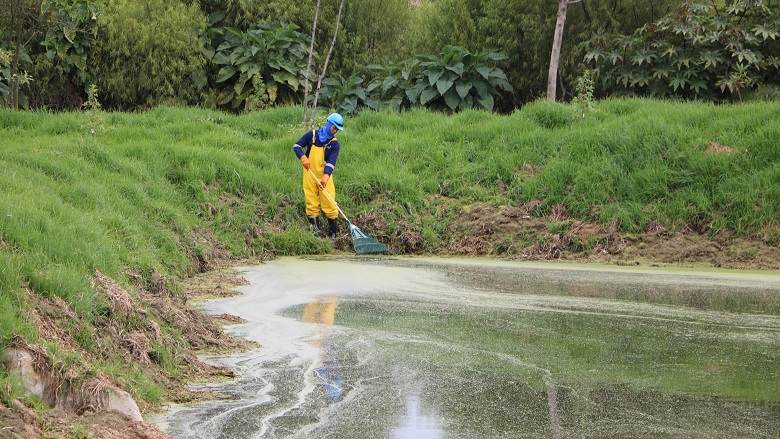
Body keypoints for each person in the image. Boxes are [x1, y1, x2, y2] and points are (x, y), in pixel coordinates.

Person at [293, 113, 344, 238]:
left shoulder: (334, 144)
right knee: (311, 200)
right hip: (310, 173)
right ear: (329, 123)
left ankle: (333, 234)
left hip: (324, 176)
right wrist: (303, 157)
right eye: (334, 128)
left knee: (329, 202)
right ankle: (316, 232)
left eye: (337, 129)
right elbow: (297, 146)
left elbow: (331, 163)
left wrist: (326, 177)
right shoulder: (312, 135)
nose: (335, 131)